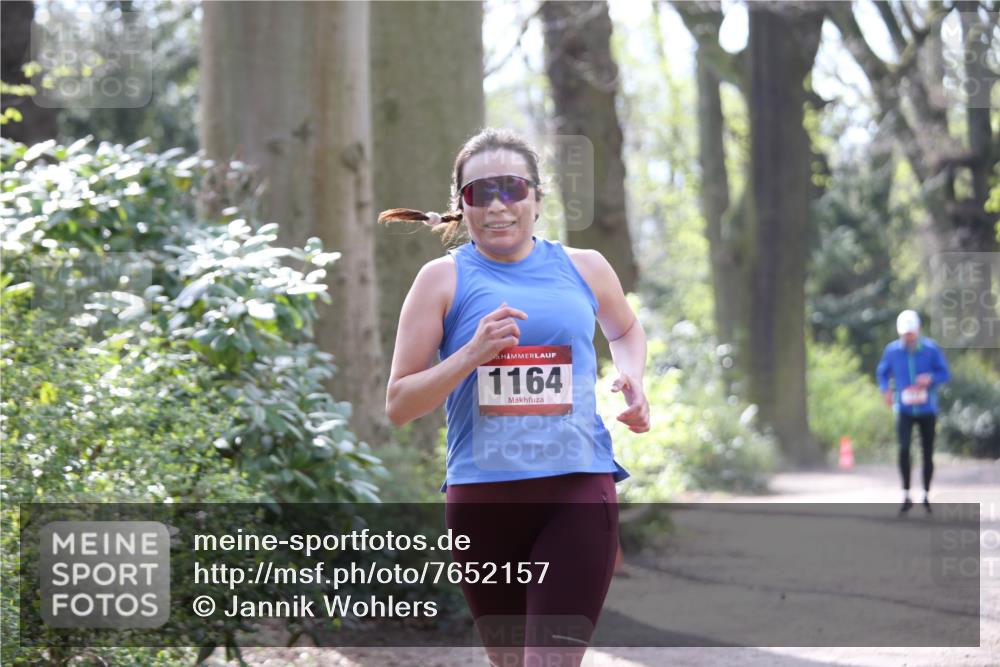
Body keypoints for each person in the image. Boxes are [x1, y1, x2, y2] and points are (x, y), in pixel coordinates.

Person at [381, 127, 650, 666]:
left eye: (512, 188)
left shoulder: (585, 266)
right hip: (483, 500)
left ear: (536, 196)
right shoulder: (441, 280)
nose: (498, 206)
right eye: (480, 193)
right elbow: (399, 405)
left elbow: (623, 330)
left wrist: (632, 376)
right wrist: (469, 354)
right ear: (461, 204)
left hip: (576, 490)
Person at [876, 309, 950, 516]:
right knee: (904, 449)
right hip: (904, 408)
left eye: (911, 332)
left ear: (918, 330)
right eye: (904, 333)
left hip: (927, 408)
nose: (908, 336)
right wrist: (886, 390)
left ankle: (926, 493)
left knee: (928, 451)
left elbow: (944, 373)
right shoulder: (892, 351)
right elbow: (882, 373)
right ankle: (906, 493)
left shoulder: (931, 349)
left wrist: (930, 379)